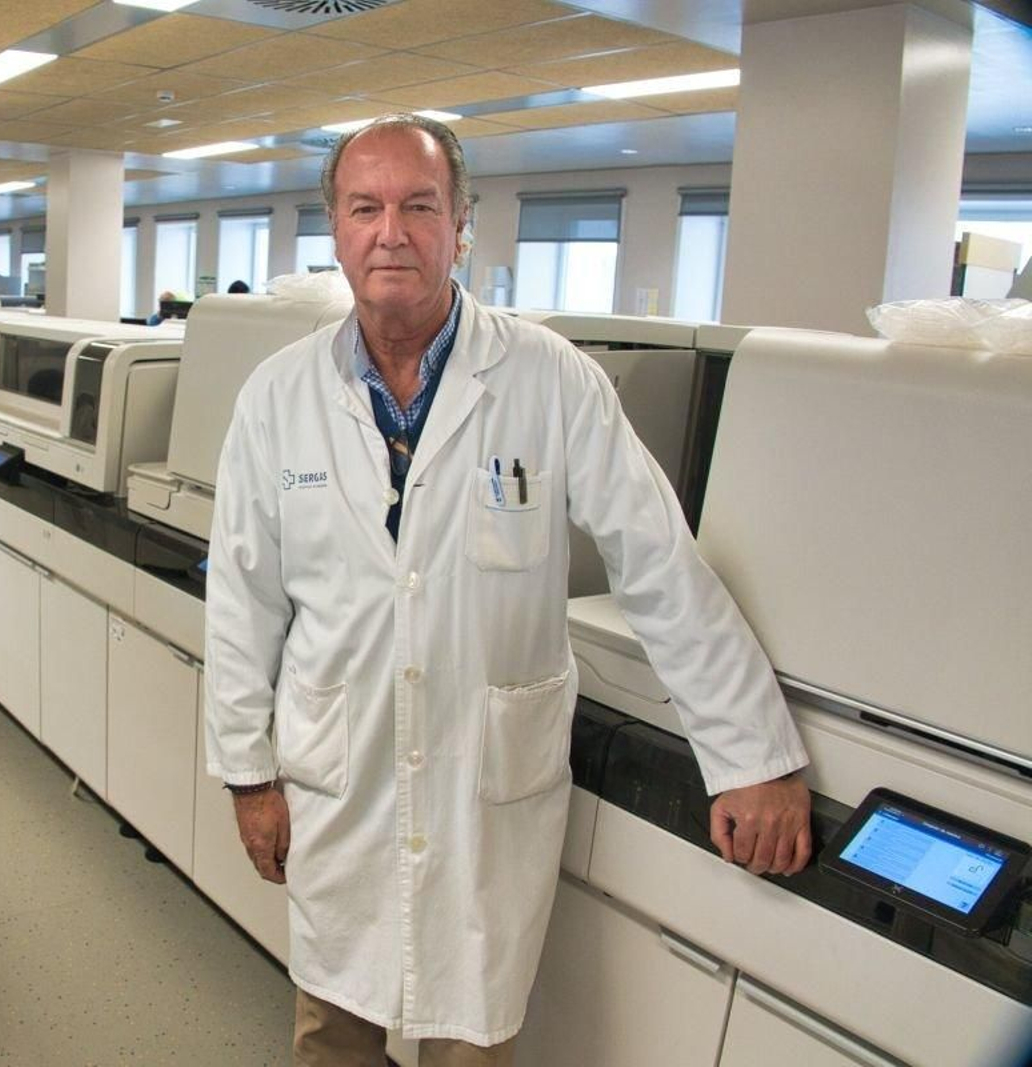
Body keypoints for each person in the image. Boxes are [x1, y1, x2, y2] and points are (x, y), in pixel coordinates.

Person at [203, 114, 812, 1066]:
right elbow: (244, 600)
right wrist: (248, 776)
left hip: (483, 789)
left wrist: (751, 754)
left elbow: (656, 559)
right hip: (336, 779)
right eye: (365, 208)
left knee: (473, 1037)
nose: (391, 233)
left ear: (461, 226)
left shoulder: (549, 378)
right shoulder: (278, 396)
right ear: (336, 230)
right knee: (332, 1035)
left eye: (419, 206)